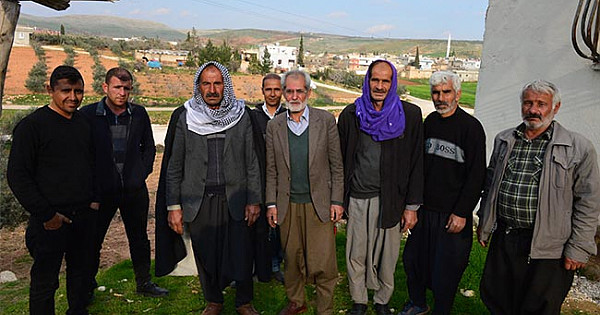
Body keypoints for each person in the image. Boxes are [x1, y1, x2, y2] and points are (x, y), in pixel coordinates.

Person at [477, 80, 600, 314]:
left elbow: (589, 202)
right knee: (498, 299)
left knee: (539, 306)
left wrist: (579, 247)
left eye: (541, 104)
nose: (533, 110)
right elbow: (490, 184)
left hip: (549, 246)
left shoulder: (578, 147)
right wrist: (485, 222)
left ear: (555, 108)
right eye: (528, 103)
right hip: (506, 237)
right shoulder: (505, 140)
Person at [165, 61, 262, 315]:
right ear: (198, 86)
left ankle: (244, 302)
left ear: (225, 85)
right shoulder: (186, 116)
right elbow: (174, 165)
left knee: (241, 252)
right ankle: (214, 301)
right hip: (199, 199)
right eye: (206, 84)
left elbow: (252, 161)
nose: (212, 89)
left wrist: (254, 199)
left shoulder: (241, 115)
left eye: (217, 83)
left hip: (236, 198)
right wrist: (173, 206)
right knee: (206, 254)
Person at [7, 65, 97, 315]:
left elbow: (96, 164)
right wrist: (47, 215)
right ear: (50, 90)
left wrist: (94, 202)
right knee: (45, 283)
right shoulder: (32, 127)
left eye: (78, 91)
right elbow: (17, 176)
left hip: (83, 217)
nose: (73, 97)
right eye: (66, 90)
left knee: (80, 278)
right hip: (49, 221)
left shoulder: (84, 124)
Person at [337, 60, 424, 315]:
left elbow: (417, 162)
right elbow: (341, 160)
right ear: (367, 81)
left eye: (386, 81)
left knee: (387, 256)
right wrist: (338, 199)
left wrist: (412, 206)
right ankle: (359, 300)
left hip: (392, 198)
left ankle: (382, 300)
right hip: (358, 195)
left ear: (392, 83)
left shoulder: (409, 115)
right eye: (375, 79)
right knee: (356, 252)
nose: (380, 86)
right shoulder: (352, 114)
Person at [400, 71, 486, 315]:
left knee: (446, 270)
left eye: (446, 92)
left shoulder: (471, 128)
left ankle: (442, 310)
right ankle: (417, 303)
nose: (440, 97)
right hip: (425, 210)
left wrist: (461, 212)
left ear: (457, 94)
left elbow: (476, 176)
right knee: (414, 261)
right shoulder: (430, 123)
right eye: (435, 93)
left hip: (452, 215)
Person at [80, 67, 167, 299]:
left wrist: (141, 173)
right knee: (93, 240)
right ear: (105, 87)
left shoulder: (139, 113)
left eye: (127, 88)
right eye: (117, 87)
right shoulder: (89, 115)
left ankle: (144, 282)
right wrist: (92, 186)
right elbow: (83, 153)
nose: (122, 93)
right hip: (101, 192)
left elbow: (149, 147)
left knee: (139, 238)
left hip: (133, 189)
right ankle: (87, 285)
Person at [265, 69, 344, 315]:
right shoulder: (274, 126)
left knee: (324, 263)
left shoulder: (326, 121)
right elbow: (271, 170)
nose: (295, 96)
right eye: (290, 90)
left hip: (318, 204)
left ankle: (325, 309)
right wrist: (270, 204)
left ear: (308, 92)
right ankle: (296, 302)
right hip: (287, 206)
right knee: (292, 259)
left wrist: (337, 201)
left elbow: (336, 165)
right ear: (284, 93)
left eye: (300, 91)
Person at [247, 73, 287, 283]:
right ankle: (255, 266)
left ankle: (275, 264)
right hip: (257, 180)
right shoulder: (253, 117)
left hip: (282, 182)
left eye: (277, 89)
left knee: (278, 227)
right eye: (268, 89)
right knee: (257, 226)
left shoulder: (289, 116)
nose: (273, 94)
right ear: (262, 91)